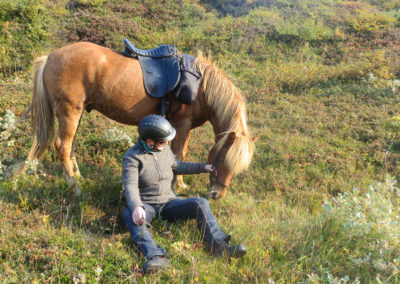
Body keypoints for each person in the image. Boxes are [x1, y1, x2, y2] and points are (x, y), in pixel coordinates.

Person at [122, 114, 246, 274]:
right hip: (146, 205)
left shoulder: (163, 149)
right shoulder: (132, 158)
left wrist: (203, 167)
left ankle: (219, 246)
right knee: (130, 214)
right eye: (162, 141)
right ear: (149, 142)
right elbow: (130, 186)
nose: (166, 143)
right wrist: (137, 207)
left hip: (168, 203)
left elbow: (177, 165)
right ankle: (156, 257)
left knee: (200, 202)